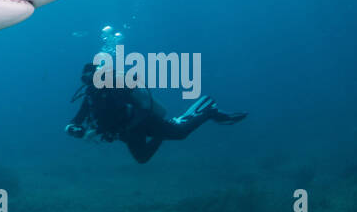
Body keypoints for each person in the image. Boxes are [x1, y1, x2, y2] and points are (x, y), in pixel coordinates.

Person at [65, 62, 246, 164]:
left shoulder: (116, 88)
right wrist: (77, 131)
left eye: (94, 77)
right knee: (142, 158)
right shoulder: (90, 98)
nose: (91, 82)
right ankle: (172, 124)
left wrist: (98, 130)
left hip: (142, 122)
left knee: (180, 134)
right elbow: (74, 122)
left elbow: (120, 108)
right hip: (127, 132)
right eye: (86, 79)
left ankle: (208, 110)